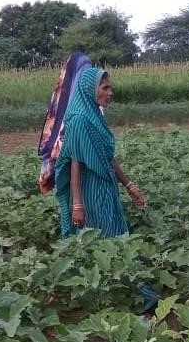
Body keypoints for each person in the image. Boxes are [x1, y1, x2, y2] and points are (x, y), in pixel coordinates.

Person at [54, 67, 146, 238]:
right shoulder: (79, 119)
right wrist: (77, 205)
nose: (110, 93)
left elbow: (107, 157)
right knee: (100, 239)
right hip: (90, 190)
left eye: (110, 88)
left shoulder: (94, 115)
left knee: (113, 236)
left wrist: (129, 185)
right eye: (104, 88)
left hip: (106, 186)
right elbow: (75, 163)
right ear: (90, 89)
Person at [37, 52, 92, 195]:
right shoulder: (66, 101)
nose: (84, 76)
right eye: (83, 71)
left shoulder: (91, 99)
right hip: (70, 160)